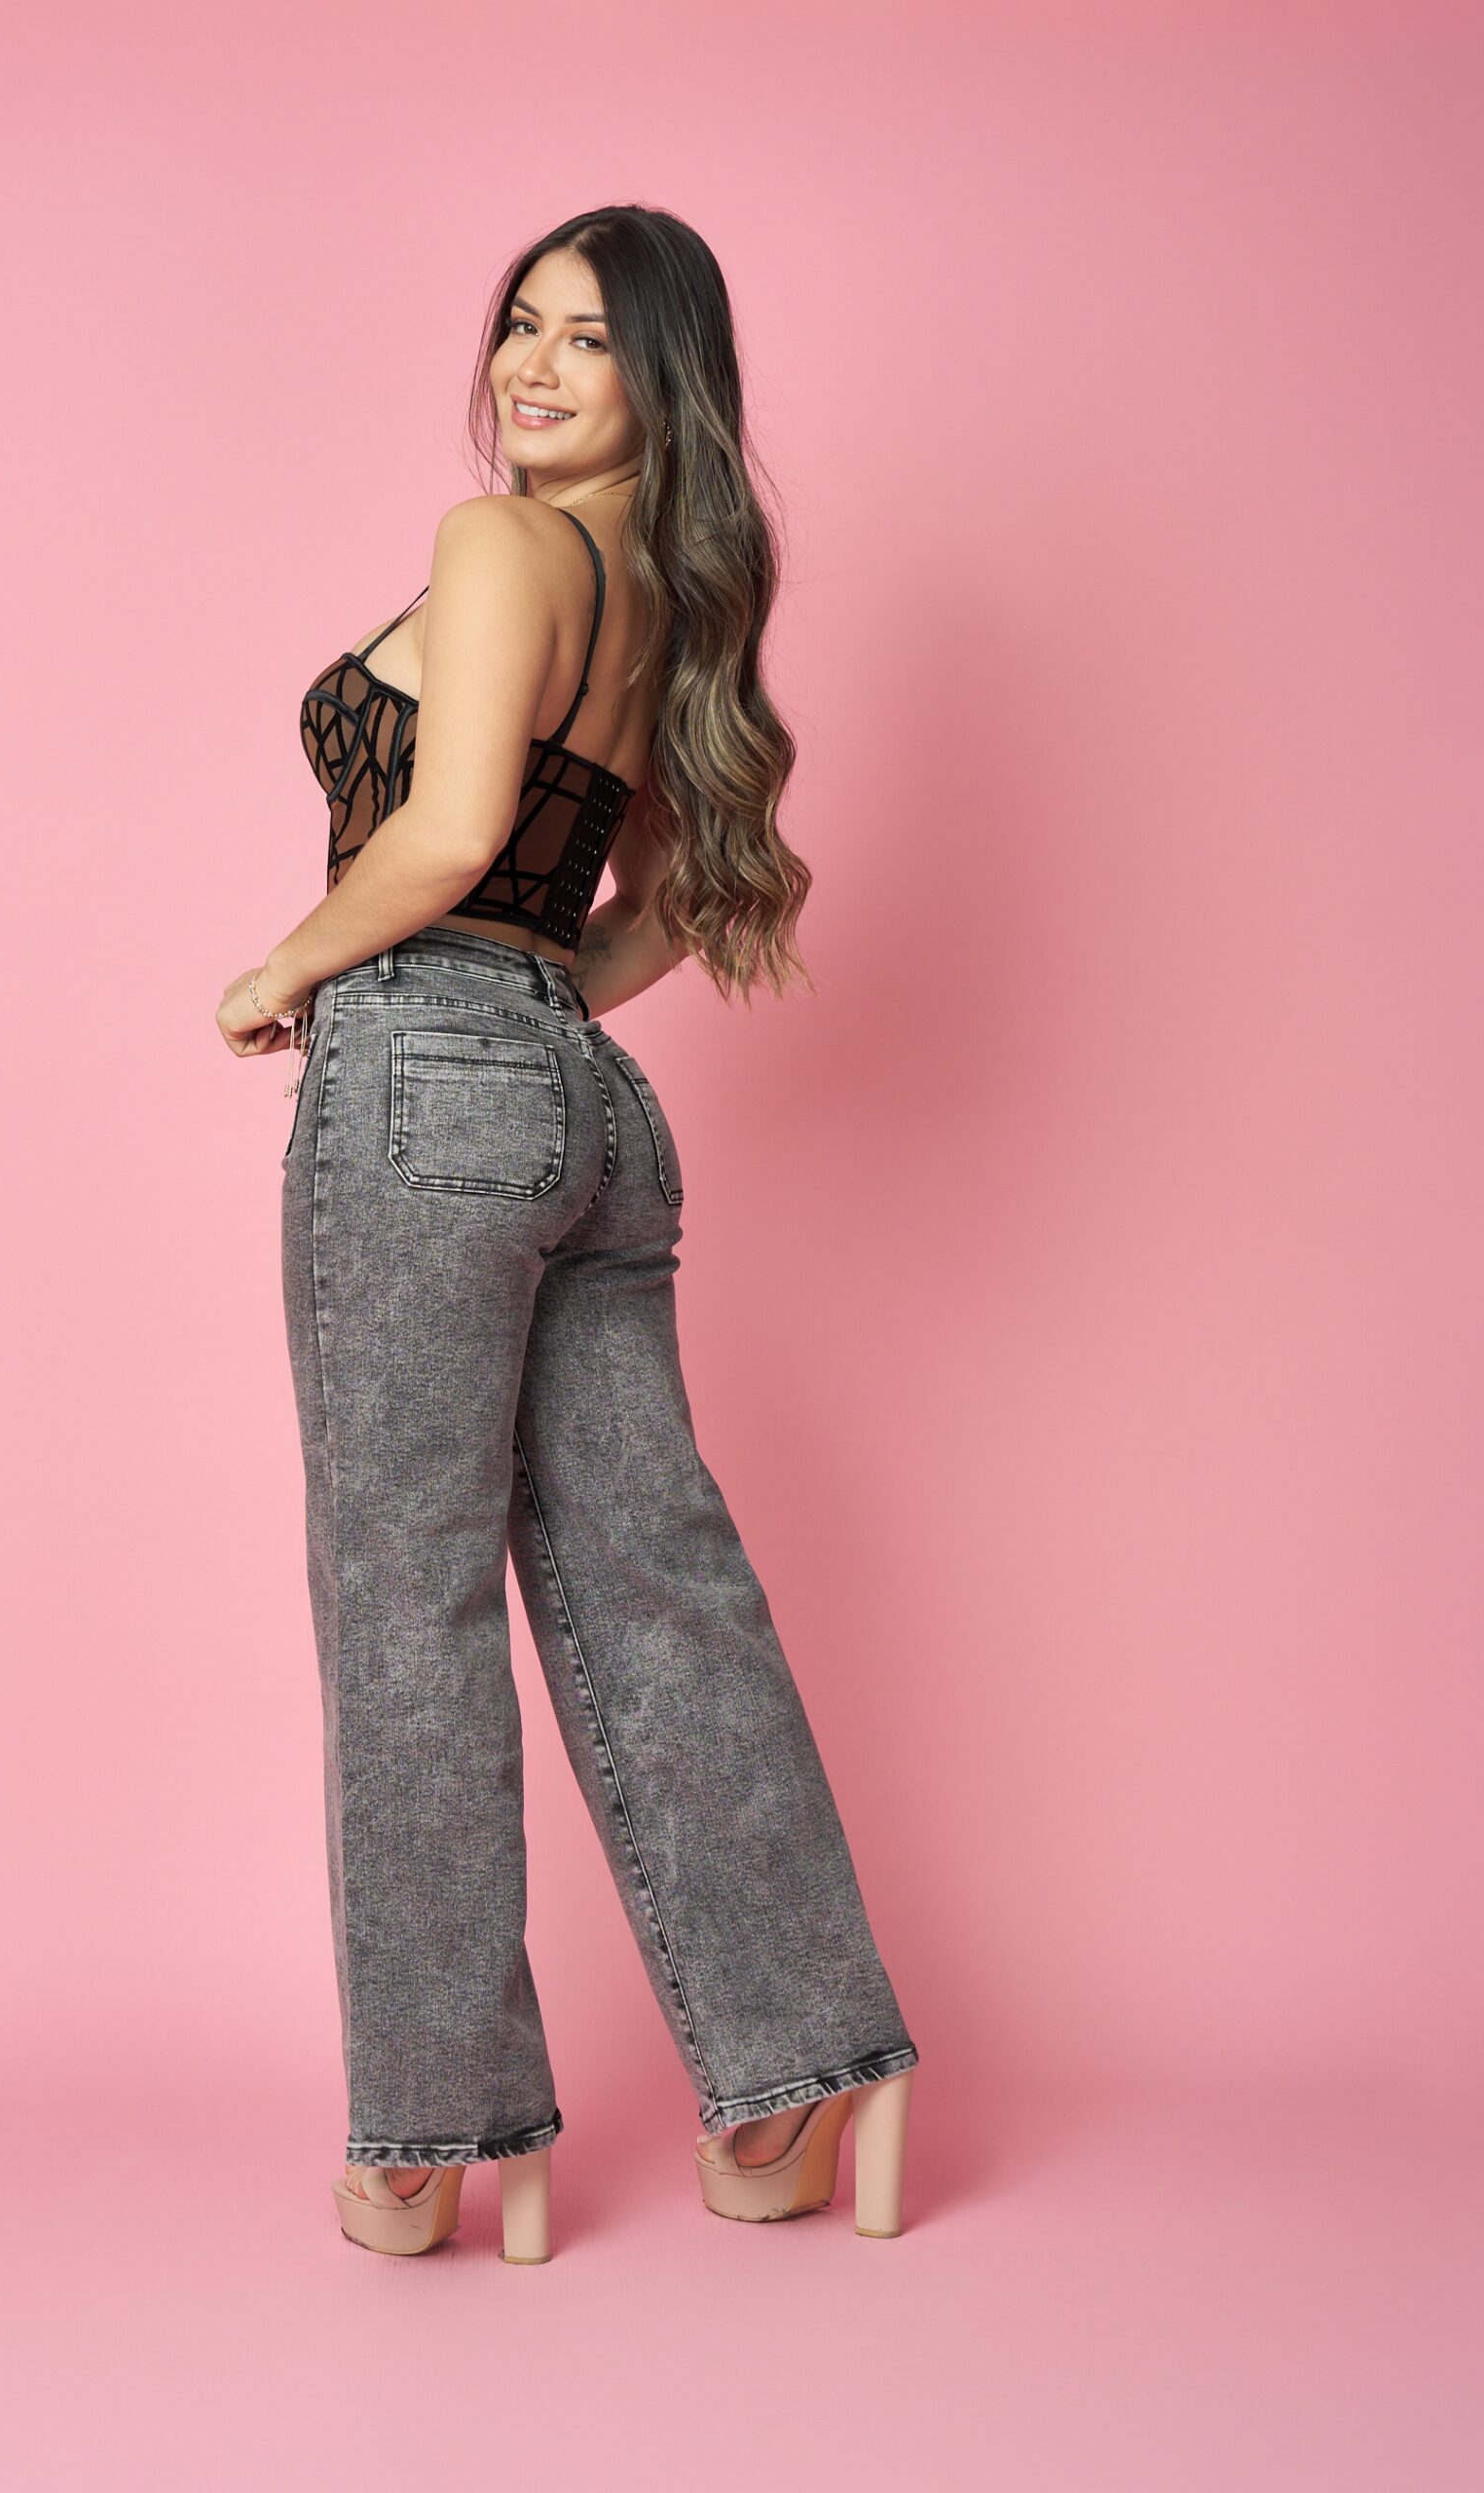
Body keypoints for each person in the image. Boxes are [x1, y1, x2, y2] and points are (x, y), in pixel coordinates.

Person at [217, 205, 918, 2263]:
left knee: (406, 1604)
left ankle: (438, 2136)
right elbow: (688, 888)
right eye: (520, 324)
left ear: (659, 379)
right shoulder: (676, 598)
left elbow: (446, 834)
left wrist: (283, 968)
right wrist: (534, 1012)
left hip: (422, 1083)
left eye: (586, 340)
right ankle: (812, 2070)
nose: (529, 365)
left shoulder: (500, 545)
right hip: (583, 1105)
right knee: (660, 1587)